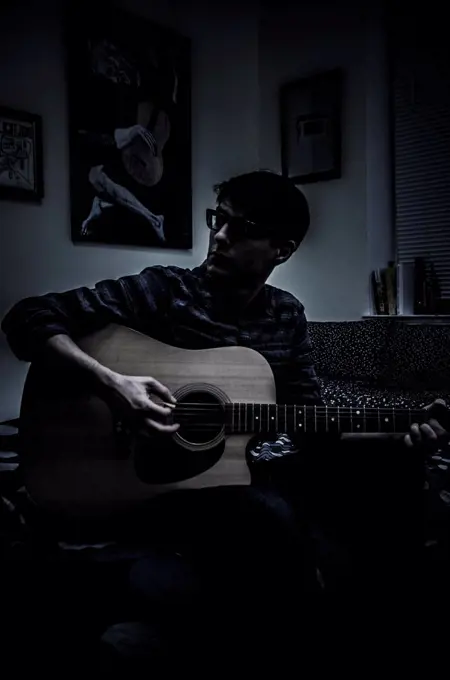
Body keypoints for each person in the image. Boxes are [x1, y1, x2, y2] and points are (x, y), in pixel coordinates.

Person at [1, 170, 446, 668]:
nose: (219, 236)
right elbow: (27, 318)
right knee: (267, 515)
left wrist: (396, 435)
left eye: (243, 227)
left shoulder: (286, 315)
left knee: (395, 474)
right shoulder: (163, 291)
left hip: (236, 470)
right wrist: (114, 385)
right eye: (220, 220)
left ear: (283, 248)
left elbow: (312, 420)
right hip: (157, 479)